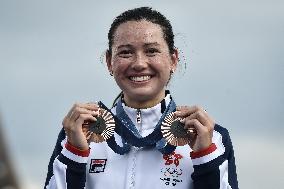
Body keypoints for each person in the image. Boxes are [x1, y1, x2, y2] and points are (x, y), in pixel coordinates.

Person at [45, 7, 238, 189]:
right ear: (109, 62)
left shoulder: (210, 137)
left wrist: (205, 157)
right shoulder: (78, 132)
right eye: (125, 52)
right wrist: (75, 154)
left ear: (173, 59)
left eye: (151, 51)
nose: (139, 63)